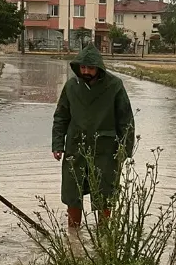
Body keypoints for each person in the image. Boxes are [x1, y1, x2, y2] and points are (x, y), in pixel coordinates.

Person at [51, 44, 135, 227]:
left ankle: (104, 238)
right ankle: (73, 238)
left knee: (105, 194)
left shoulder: (115, 86)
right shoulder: (71, 86)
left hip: (105, 150)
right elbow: (61, 117)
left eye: (90, 67)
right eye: (82, 67)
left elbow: (126, 120)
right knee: (73, 193)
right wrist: (58, 145)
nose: (86, 71)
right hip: (75, 148)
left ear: (99, 67)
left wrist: (125, 150)